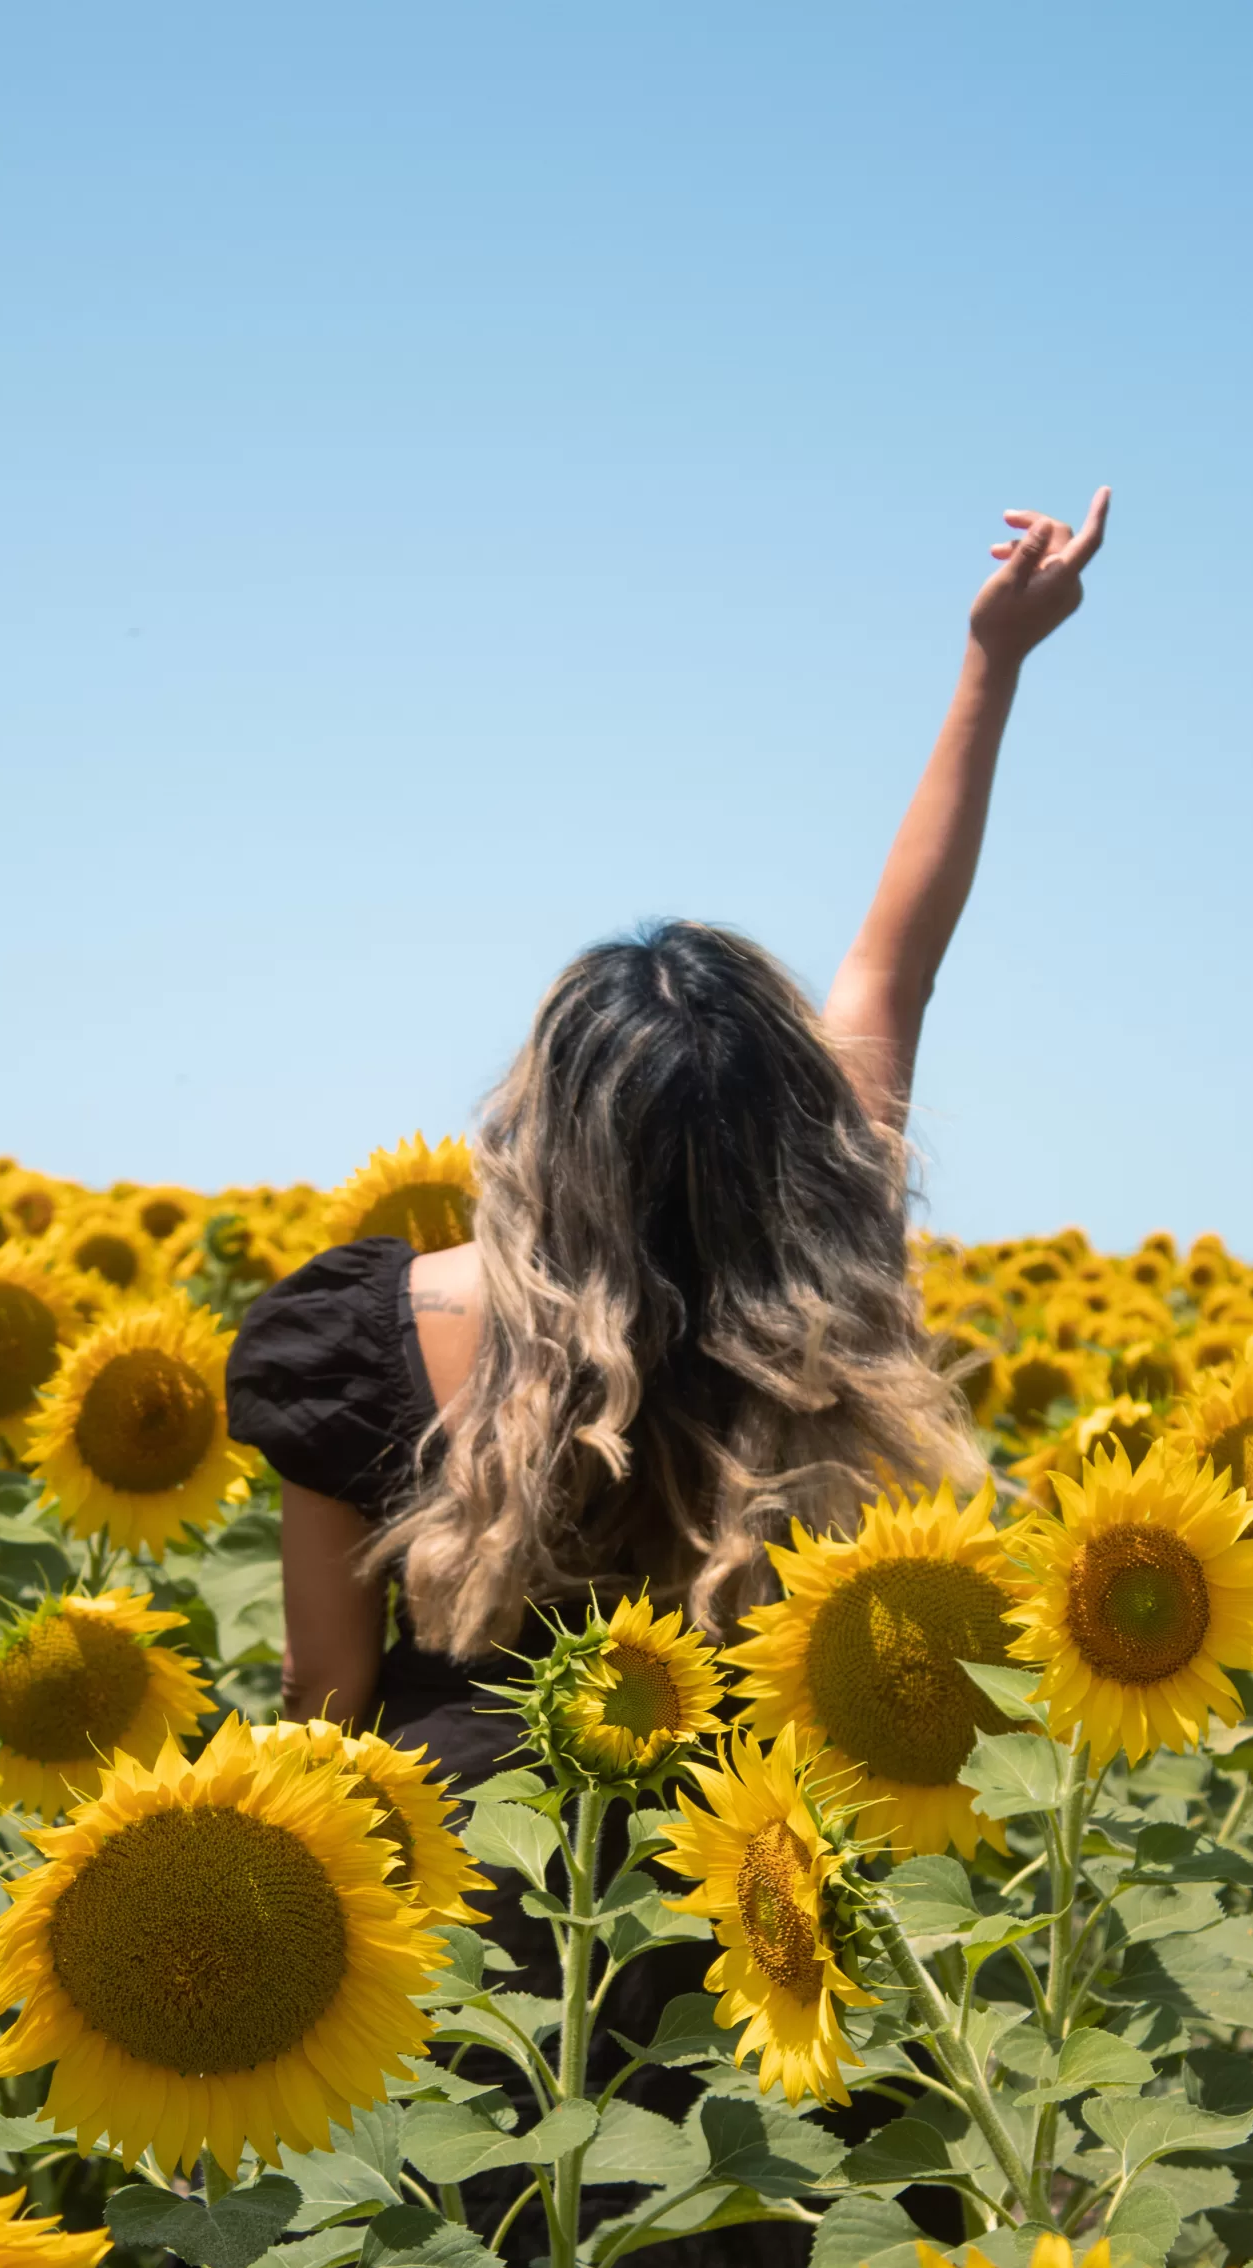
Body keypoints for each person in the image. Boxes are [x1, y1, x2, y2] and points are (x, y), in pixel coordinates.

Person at [227, 491, 1110, 1779]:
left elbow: (327, 1688)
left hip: (454, 1899)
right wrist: (995, 659)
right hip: (735, 1892)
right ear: (795, 1134)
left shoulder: (362, 1337)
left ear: (539, 1114)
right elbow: (891, 972)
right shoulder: (818, 1280)